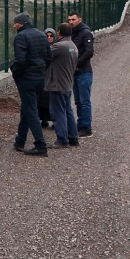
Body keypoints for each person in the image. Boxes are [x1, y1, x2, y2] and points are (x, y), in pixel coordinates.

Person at [11, 11, 51, 157]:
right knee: (27, 108)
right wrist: (41, 71)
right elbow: (48, 57)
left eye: (15, 23)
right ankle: (20, 141)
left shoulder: (20, 37)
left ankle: (41, 145)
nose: (14, 25)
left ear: (21, 23)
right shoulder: (41, 35)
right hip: (40, 78)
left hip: (27, 80)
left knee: (32, 111)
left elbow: (19, 61)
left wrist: (17, 74)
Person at [44, 22, 79, 148]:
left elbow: (45, 53)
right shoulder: (73, 46)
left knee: (57, 112)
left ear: (59, 32)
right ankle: (73, 137)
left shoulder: (60, 46)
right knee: (67, 111)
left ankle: (62, 139)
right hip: (68, 84)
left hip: (57, 84)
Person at [67, 11, 95, 137]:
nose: (71, 22)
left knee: (84, 101)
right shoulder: (71, 33)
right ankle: (81, 125)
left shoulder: (85, 32)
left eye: (73, 19)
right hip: (75, 73)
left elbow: (89, 52)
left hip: (84, 72)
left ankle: (86, 127)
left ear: (79, 19)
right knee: (78, 101)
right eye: (69, 20)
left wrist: (76, 63)